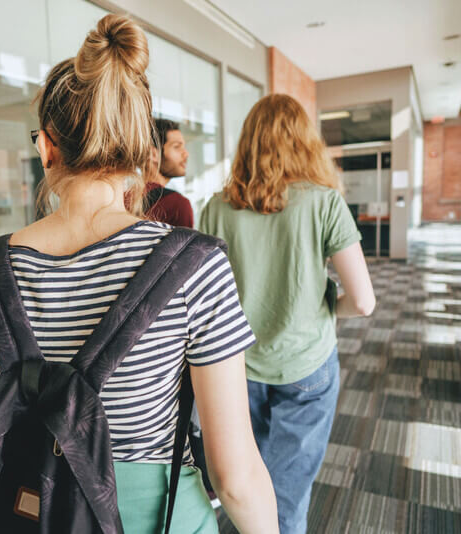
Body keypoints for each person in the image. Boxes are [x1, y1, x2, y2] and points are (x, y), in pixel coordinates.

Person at [0, 14, 278, 534]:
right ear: (144, 153)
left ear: (46, 147)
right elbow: (234, 476)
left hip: (31, 513)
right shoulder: (195, 266)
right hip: (155, 519)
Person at [199, 94, 375, 534]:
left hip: (236, 368)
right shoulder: (324, 202)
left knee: (244, 488)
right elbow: (365, 301)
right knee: (287, 496)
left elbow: (203, 296)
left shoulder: (215, 209)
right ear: (304, 141)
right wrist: (327, 305)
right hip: (306, 364)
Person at [142, 118, 193, 227]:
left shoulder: (123, 199)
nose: (186, 154)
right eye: (177, 147)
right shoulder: (178, 205)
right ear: (153, 154)